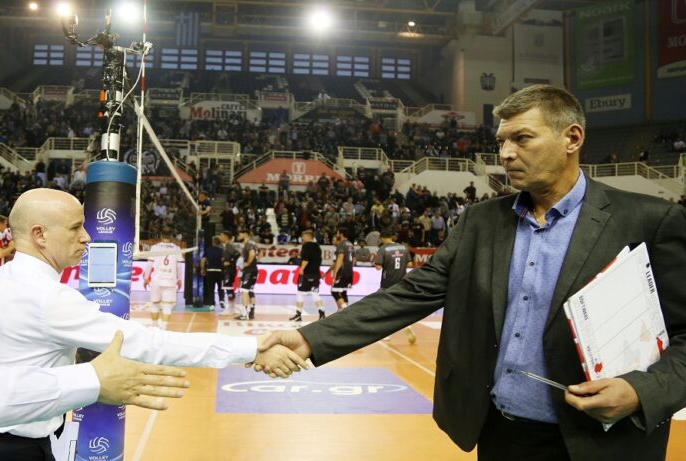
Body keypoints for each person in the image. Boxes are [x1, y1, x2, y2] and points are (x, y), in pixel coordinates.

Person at [258, 85, 686, 461]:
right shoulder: (481, 221)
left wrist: (641, 391)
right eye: (502, 141)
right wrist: (310, 339)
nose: (506, 154)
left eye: (522, 138)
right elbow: (410, 294)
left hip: (603, 444)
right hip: (501, 436)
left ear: (572, 138)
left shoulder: (648, 221)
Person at [0, 189, 306, 461]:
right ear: (40, 234)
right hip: (9, 449)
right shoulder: (46, 298)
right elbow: (147, 343)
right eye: (75, 228)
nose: (87, 237)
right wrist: (252, 347)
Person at [0, 331, 190, 434]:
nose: (85, 237)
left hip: (31, 435)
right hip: (7, 442)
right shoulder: (50, 300)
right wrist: (92, 379)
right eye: (74, 228)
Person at [373, 230, 416, 345]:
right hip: (402, 282)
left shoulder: (383, 249)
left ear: (382, 238)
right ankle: (406, 325)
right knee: (398, 306)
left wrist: (377, 262)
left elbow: (378, 267)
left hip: (387, 283)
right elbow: (410, 264)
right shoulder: (403, 248)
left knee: (384, 307)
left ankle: (386, 333)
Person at [143, 230, 182, 329]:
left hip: (157, 280)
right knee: (167, 305)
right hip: (170, 280)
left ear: (161, 236)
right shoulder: (177, 248)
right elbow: (179, 266)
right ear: (171, 236)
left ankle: (154, 326)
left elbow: (149, 264)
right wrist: (180, 279)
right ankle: (163, 328)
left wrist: (146, 278)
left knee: (155, 303)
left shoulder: (154, 247)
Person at [289, 229, 325, 322]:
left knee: (300, 293)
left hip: (307, 274)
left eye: (303, 236)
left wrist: (301, 269)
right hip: (316, 273)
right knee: (315, 294)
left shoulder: (306, 245)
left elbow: (306, 259)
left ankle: (298, 315)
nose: (302, 238)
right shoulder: (317, 246)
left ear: (308, 237)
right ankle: (322, 313)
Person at [327, 227, 355, 312]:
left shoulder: (341, 244)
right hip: (349, 272)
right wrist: (349, 267)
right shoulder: (350, 244)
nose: (336, 234)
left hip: (342, 272)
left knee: (334, 292)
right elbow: (354, 259)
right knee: (343, 292)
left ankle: (346, 311)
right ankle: (341, 312)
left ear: (341, 234)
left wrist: (335, 272)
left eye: (338, 233)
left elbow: (340, 259)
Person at [236, 229, 259, 320]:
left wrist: (248, 263)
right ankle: (251, 311)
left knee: (244, 290)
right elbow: (260, 253)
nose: (238, 236)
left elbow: (252, 254)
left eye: (239, 234)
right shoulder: (253, 243)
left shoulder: (248, 244)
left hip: (249, 270)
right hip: (253, 269)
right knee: (250, 290)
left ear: (245, 234)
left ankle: (244, 314)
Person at [218, 230, 241, 317]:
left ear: (226, 237)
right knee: (228, 288)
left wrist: (230, 262)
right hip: (226, 270)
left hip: (229, 270)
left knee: (228, 288)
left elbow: (237, 254)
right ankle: (232, 308)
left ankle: (230, 308)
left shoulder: (229, 245)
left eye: (221, 235)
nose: (220, 237)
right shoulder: (225, 246)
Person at [201, 236, 224, 310]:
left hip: (210, 271)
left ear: (213, 242)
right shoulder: (222, 250)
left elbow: (203, 260)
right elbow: (223, 260)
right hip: (219, 271)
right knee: (221, 287)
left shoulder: (208, 250)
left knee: (211, 288)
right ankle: (221, 301)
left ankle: (212, 304)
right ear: (219, 243)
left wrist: (202, 269)